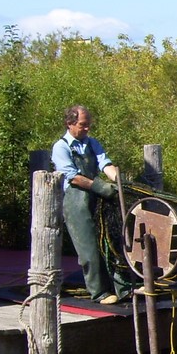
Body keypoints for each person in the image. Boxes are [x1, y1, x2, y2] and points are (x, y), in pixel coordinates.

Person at [51, 105, 130, 305]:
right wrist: (101, 187)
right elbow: (73, 178)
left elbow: (105, 164)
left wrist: (118, 183)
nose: (87, 129)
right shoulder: (61, 147)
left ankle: (123, 288)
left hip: (96, 200)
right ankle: (99, 292)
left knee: (111, 244)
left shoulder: (92, 143)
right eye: (82, 125)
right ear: (70, 124)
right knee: (89, 251)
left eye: (88, 125)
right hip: (75, 202)